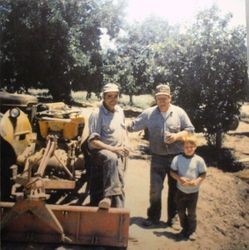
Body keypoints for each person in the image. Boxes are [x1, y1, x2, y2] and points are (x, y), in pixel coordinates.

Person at [127, 83, 194, 227]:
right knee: (155, 190)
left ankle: (173, 219)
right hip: (157, 158)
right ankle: (153, 217)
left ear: (170, 98)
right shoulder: (149, 113)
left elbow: (190, 130)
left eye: (165, 98)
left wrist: (177, 137)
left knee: (175, 190)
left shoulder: (179, 113)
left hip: (177, 158)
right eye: (159, 98)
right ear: (155, 98)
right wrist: (117, 122)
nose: (162, 101)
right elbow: (132, 125)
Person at [87, 83, 129, 209]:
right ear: (103, 97)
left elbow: (124, 131)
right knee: (111, 157)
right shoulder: (97, 114)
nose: (113, 99)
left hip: (117, 154)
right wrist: (113, 149)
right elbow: (93, 142)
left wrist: (126, 144)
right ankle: (108, 197)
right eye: (109, 96)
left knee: (119, 182)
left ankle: (119, 217)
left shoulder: (120, 111)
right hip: (100, 152)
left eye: (115, 96)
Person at [170, 134, 207, 240]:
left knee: (191, 213)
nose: (189, 149)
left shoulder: (199, 160)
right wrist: (179, 178)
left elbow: (203, 174)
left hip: (193, 192)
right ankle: (184, 229)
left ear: (195, 147)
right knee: (181, 212)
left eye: (192, 147)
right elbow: (172, 172)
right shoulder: (177, 159)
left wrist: (197, 181)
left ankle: (192, 231)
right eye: (186, 147)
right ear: (183, 147)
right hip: (180, 191)